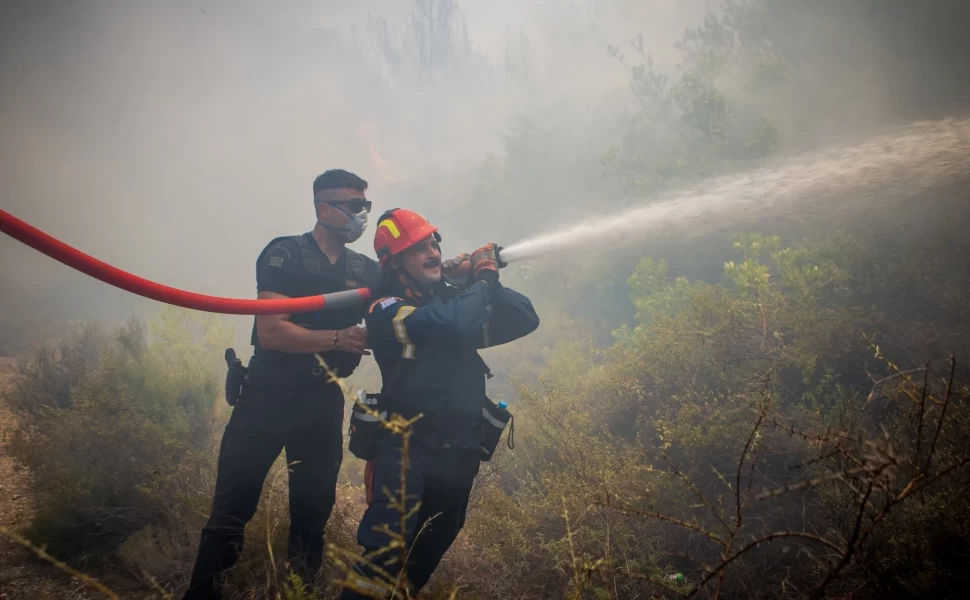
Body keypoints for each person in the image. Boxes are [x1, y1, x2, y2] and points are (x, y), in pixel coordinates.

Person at [183, 169, 383, 599]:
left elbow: (408, 295)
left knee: (312, 514)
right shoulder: (285, 254)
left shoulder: (366, 268)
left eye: (364, 206)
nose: (360, 215)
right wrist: (337, 338)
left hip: (322, 401)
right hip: (268, 396)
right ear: (323, 208)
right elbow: (272, 332)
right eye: (352, 206)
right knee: (232, 510)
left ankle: (300, 592)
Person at [339, 208, 540, 598]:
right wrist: (482, 278)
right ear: (395, 264)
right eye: (418, 248)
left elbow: (524, 317)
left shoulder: (455, 300)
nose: (432, 252)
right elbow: (447, 322)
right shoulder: (386, 309)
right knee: (386, 551)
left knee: (428, 549)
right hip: (406, 449)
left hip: (460, 452)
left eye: (433, 243)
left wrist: (474, 280)